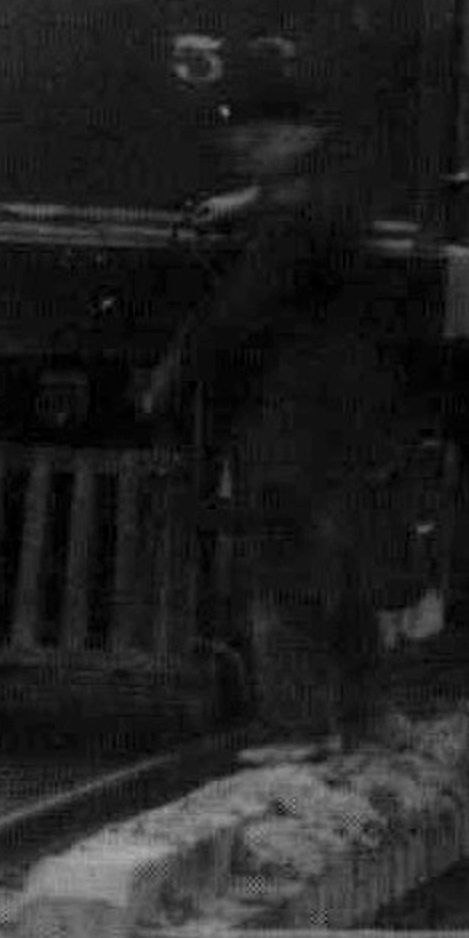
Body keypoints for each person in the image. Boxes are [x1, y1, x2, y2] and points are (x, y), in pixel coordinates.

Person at [138, 50, 406, 748]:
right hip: (339, 410)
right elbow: (301, 212)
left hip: (293, 417)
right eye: (242, 139)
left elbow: (241, 313)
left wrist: (174, 374)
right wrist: (251, 203)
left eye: (262, 137)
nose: (247, 151)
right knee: (339, 566)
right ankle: (371, 717)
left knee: (286, 569)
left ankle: (296, 729)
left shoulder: (296, 219)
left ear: (301, 137)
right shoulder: (331, 197)